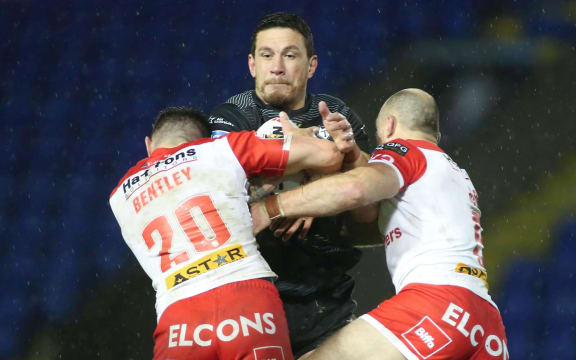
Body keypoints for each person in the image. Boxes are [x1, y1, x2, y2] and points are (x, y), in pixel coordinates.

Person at [251, 89, 509, 360]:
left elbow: (356, 189)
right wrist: (349, 158)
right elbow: (372, 221)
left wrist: (271, 208)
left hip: (437, 303)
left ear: (389, 125)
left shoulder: (404, 150)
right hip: (486, 324)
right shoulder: (453, 175)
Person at [109, 106, 345, 360]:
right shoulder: (222, 149)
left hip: (179, 319)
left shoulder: (118, 197)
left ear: (148, 144)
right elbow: (328, 154)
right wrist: (303, 138)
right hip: (247, 300)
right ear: (203, 140)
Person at [208, 12, 371, 356]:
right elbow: (221, 198)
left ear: (311, 66)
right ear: (252, 65)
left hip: (327, 306)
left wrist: (346, 159)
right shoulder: (231, 117)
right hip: (252, 304)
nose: (277, 67)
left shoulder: (338, 115)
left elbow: (369, 209)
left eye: (290, 55)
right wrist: (313, 182)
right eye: (267, 55)